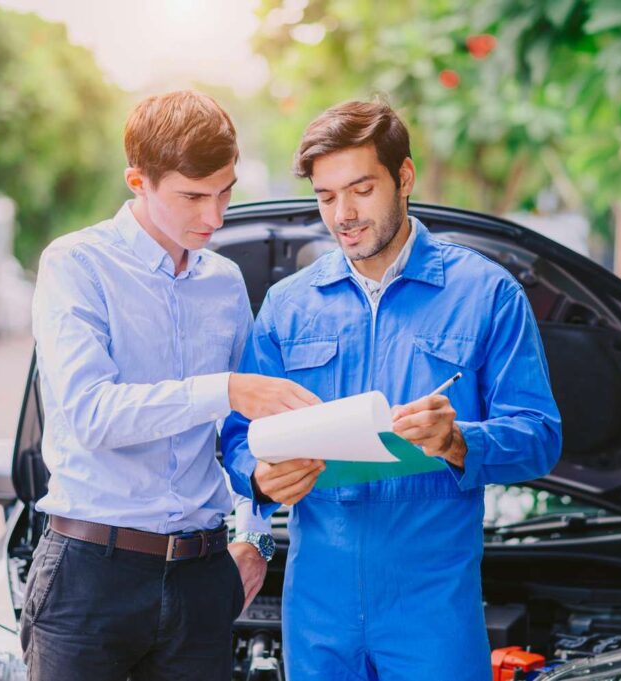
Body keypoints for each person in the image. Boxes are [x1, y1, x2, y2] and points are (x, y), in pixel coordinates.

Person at [221, 100, 563, 680]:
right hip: (316, 609)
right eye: (327, 197)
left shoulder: (486, 294)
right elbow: (238, 435)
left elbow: (539, 435)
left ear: (404, 178)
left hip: (432, 607)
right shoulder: (287, 306)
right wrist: (256, 472)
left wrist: (457, 441)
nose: (344, 215)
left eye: (361, 189)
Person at [21, 90, 319, 681]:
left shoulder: (226, 282)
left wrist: (256, 535)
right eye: (192, 196)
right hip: (89, 579)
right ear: (139, 181)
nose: (214, 217)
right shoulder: (76, 265)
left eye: (225, 192)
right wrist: (224, 389)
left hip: (202, 578)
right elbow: (91, 414)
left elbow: (250, 431)